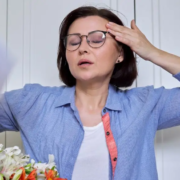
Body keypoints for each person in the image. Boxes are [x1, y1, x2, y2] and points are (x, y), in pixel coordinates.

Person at [0, 6, 180, 180]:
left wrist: (152, 52)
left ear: (120, 53)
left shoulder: (146, 104)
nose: (83, 48)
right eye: (73, 42)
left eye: (96, 39)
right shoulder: (32, 102)